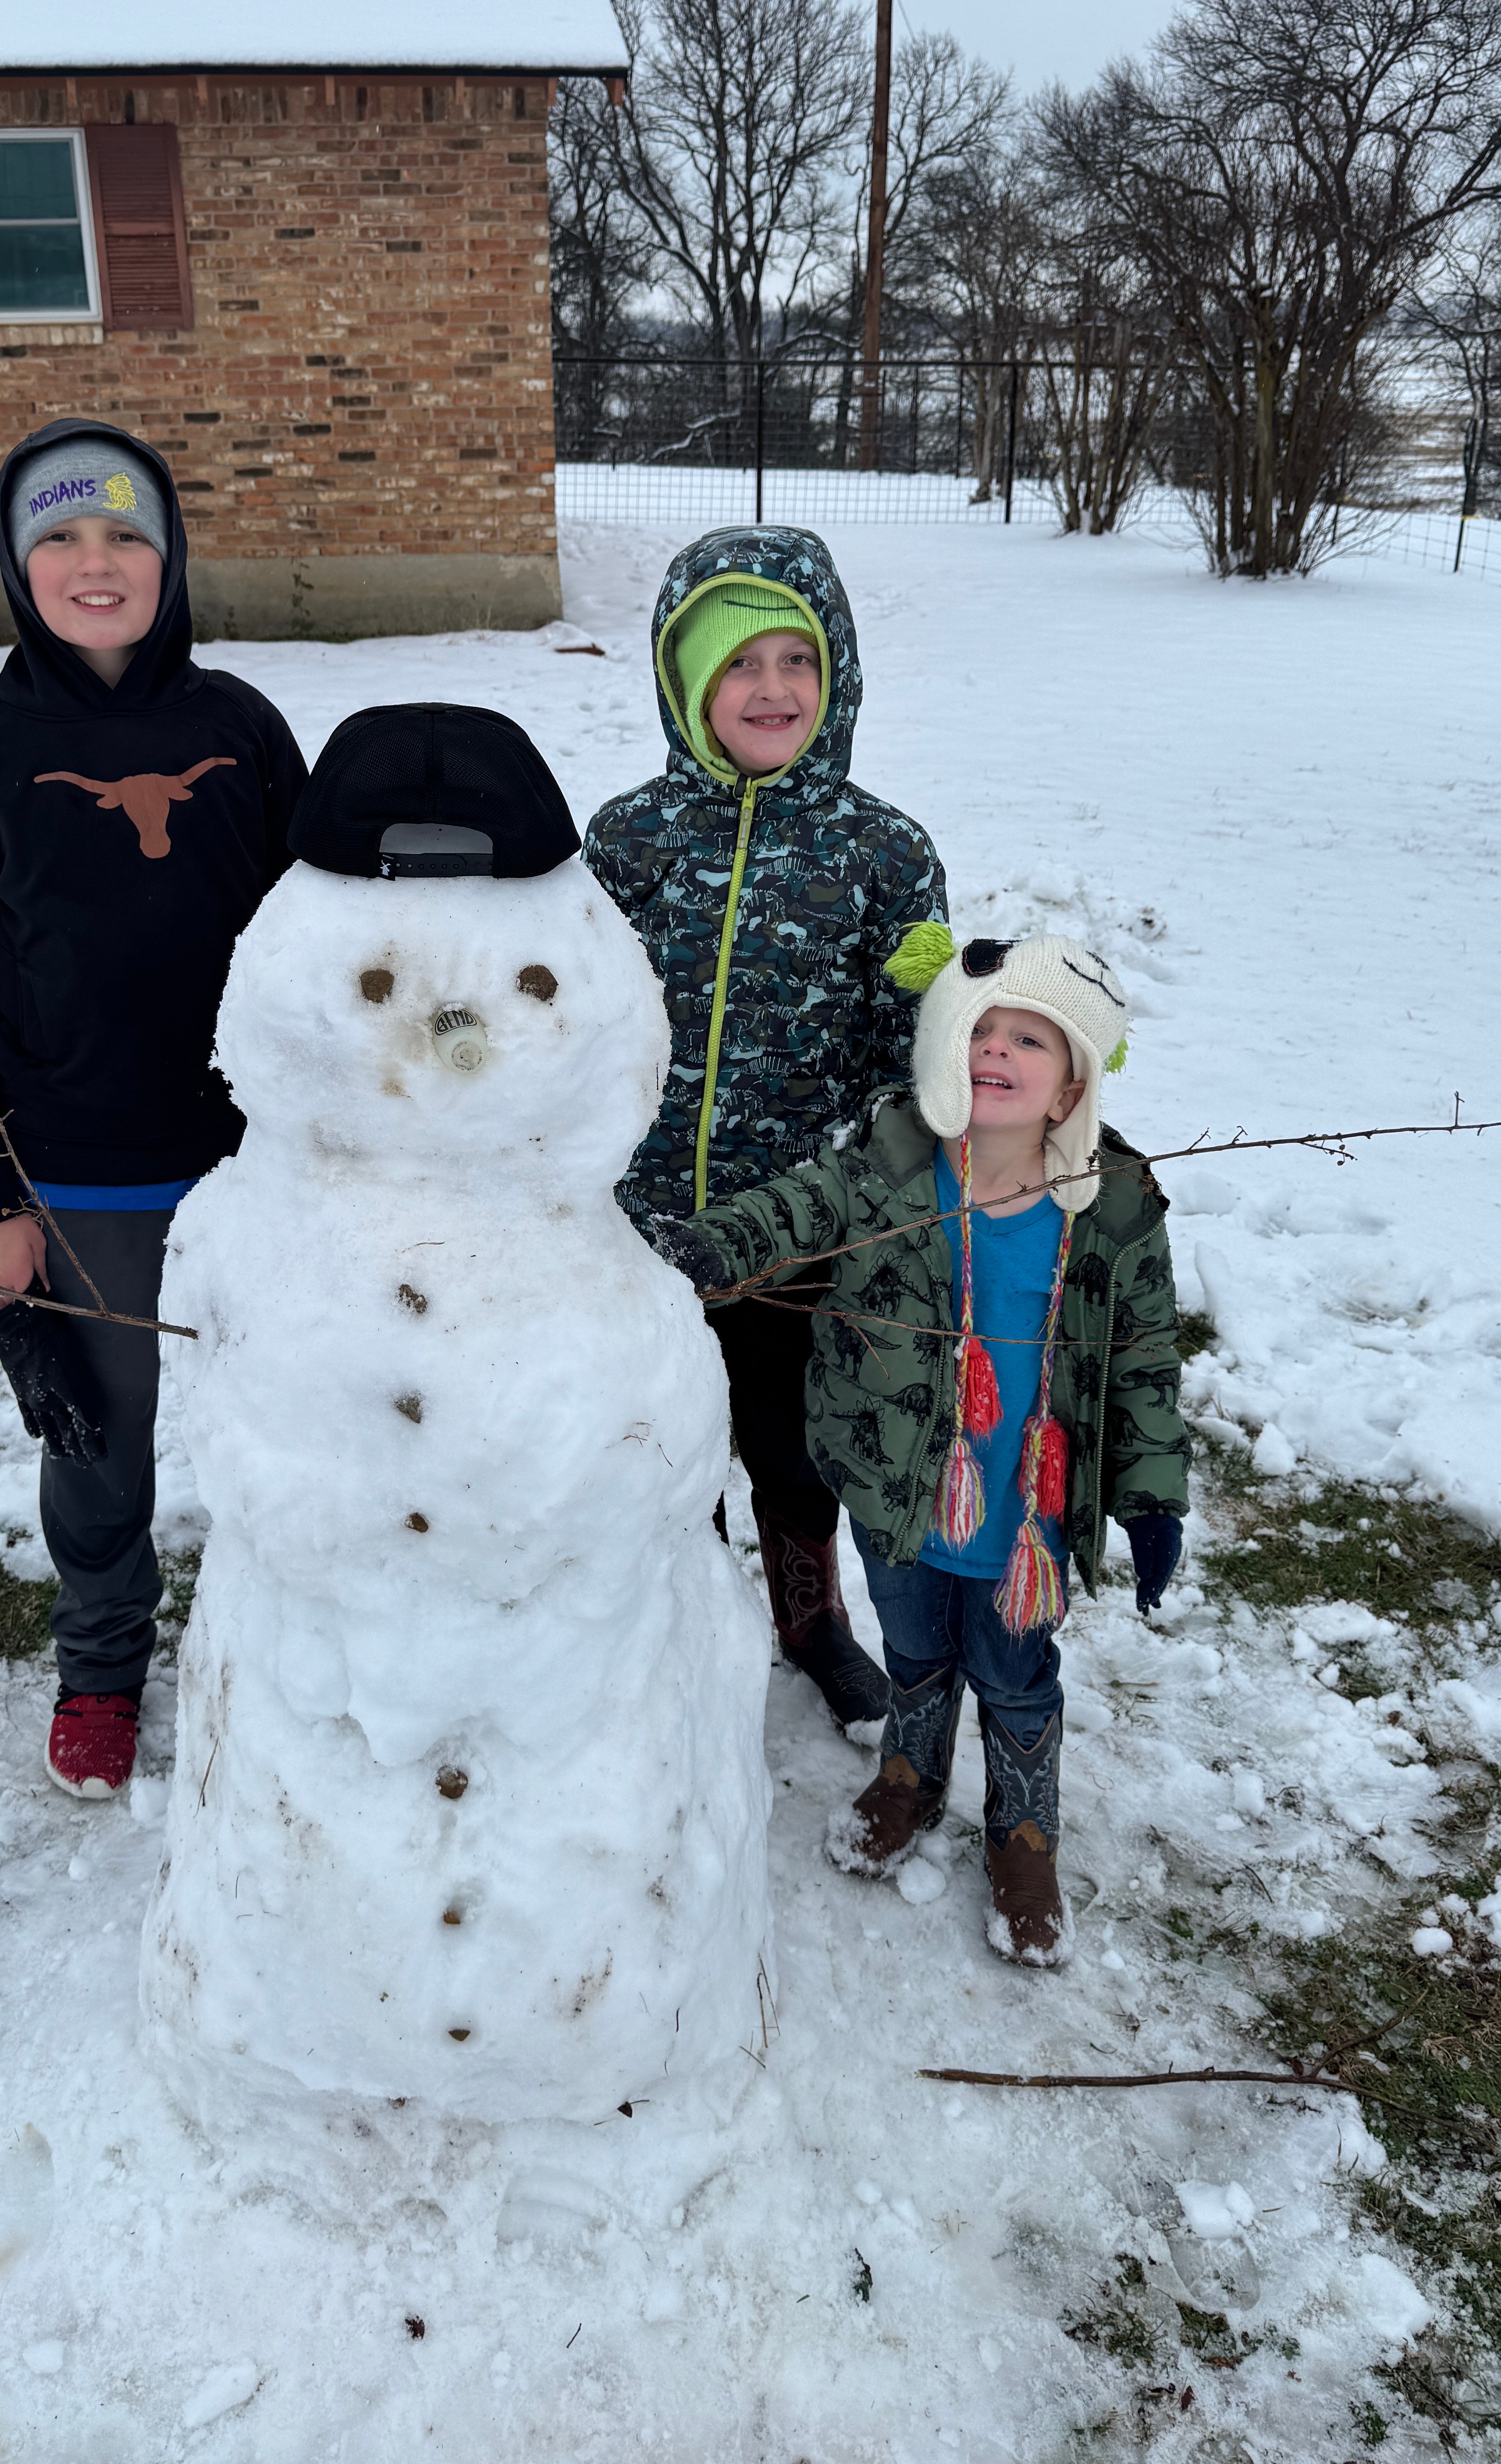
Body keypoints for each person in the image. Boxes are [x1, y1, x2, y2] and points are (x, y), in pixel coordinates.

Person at [638, 932, 1190, 1965]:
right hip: (899, 1485)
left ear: (1072, 1086)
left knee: (1015, 1671)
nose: (997, 1050)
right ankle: (913, 1777)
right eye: (978, 1029)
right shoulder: (887, 1169)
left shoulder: (1111, 1205)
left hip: (1026, 1509)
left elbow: (1148, 1356)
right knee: (917, 1644)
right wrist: (710, 1246)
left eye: (1030, 1038)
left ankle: (1025, 1834)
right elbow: (791, 1212)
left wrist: (1152, 1495)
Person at [0, 419, 306, 1801]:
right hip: (78, 1180)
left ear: (169, 555)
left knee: (294, 1419)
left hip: (258, 1169)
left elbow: (316, 938)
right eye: (61, 536)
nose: (96, 562)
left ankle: (308, 1638)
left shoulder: (241, 730)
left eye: (125, 533)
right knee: (101, 1443)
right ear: (20, 568)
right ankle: (98, 1659)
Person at [582, 525, 947, 1732]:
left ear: (834, 675)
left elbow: (913, 1050)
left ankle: (807, 1611)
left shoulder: (883, 853)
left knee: (794, 1448)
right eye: (742, 665)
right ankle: (676, 1619)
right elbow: (572, 1018)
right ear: (688, 682)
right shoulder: (626, 840)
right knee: (663, 1440)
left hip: (801, 1231)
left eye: (800, 661)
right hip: (638, 1229)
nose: (774, 689)